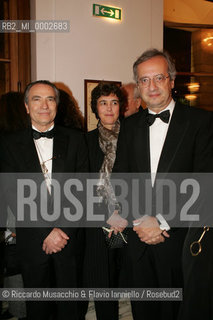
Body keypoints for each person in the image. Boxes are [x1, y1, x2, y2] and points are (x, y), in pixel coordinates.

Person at [113, 49, 213, 320]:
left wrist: (162, 221)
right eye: (144, 80)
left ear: (171, 81)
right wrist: (140, 220)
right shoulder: (130, 126)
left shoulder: (201, 123)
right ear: (138, 86)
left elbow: (205, 185)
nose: (152, 86)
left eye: (159, 78)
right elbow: (121, 178)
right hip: (138, 239)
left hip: (179, 240)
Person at [0, 80, 88, 320]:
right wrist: (46, 231)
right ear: (27, 106)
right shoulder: (8, 144)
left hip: (68, 238)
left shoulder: (77, 139)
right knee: (38, 307)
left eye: (50, 99)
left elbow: (83, 190)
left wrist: (61, 230)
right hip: (33, 240)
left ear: (57, 106)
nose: (44, 105)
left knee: (70, 307)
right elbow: (11, 194)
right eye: (37, 99)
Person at [82, 82, 127, 320]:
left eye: (114, 102)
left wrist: (123, 213)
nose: (109, 108)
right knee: (103, 284)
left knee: (132, 280)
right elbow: (80, 186)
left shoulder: (135, 137)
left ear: (121, 106)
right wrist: (107, 215)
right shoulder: (84, 141)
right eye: (103, 103)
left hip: (131, 218)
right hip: (98, 221)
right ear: (95, 108)